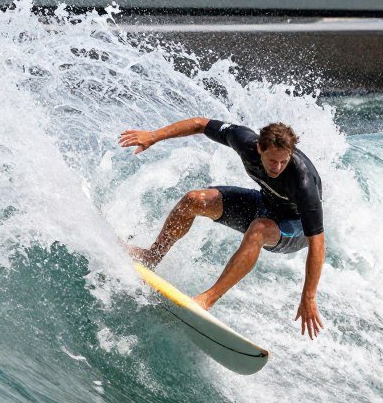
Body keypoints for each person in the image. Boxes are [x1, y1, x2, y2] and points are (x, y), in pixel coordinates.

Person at [119, 118, 325, 338]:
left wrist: (309, 296)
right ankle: (153, 256)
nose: (278, 168)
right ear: (259, 148)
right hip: (265, 205)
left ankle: (207, 299)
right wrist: (154, 135)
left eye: (284, 161)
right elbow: (200, 124)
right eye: (273, 161)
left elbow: (318, 244)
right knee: (194, 200)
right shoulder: (244, 141)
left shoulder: (303, 181)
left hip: (294, 228)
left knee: (259, 229)